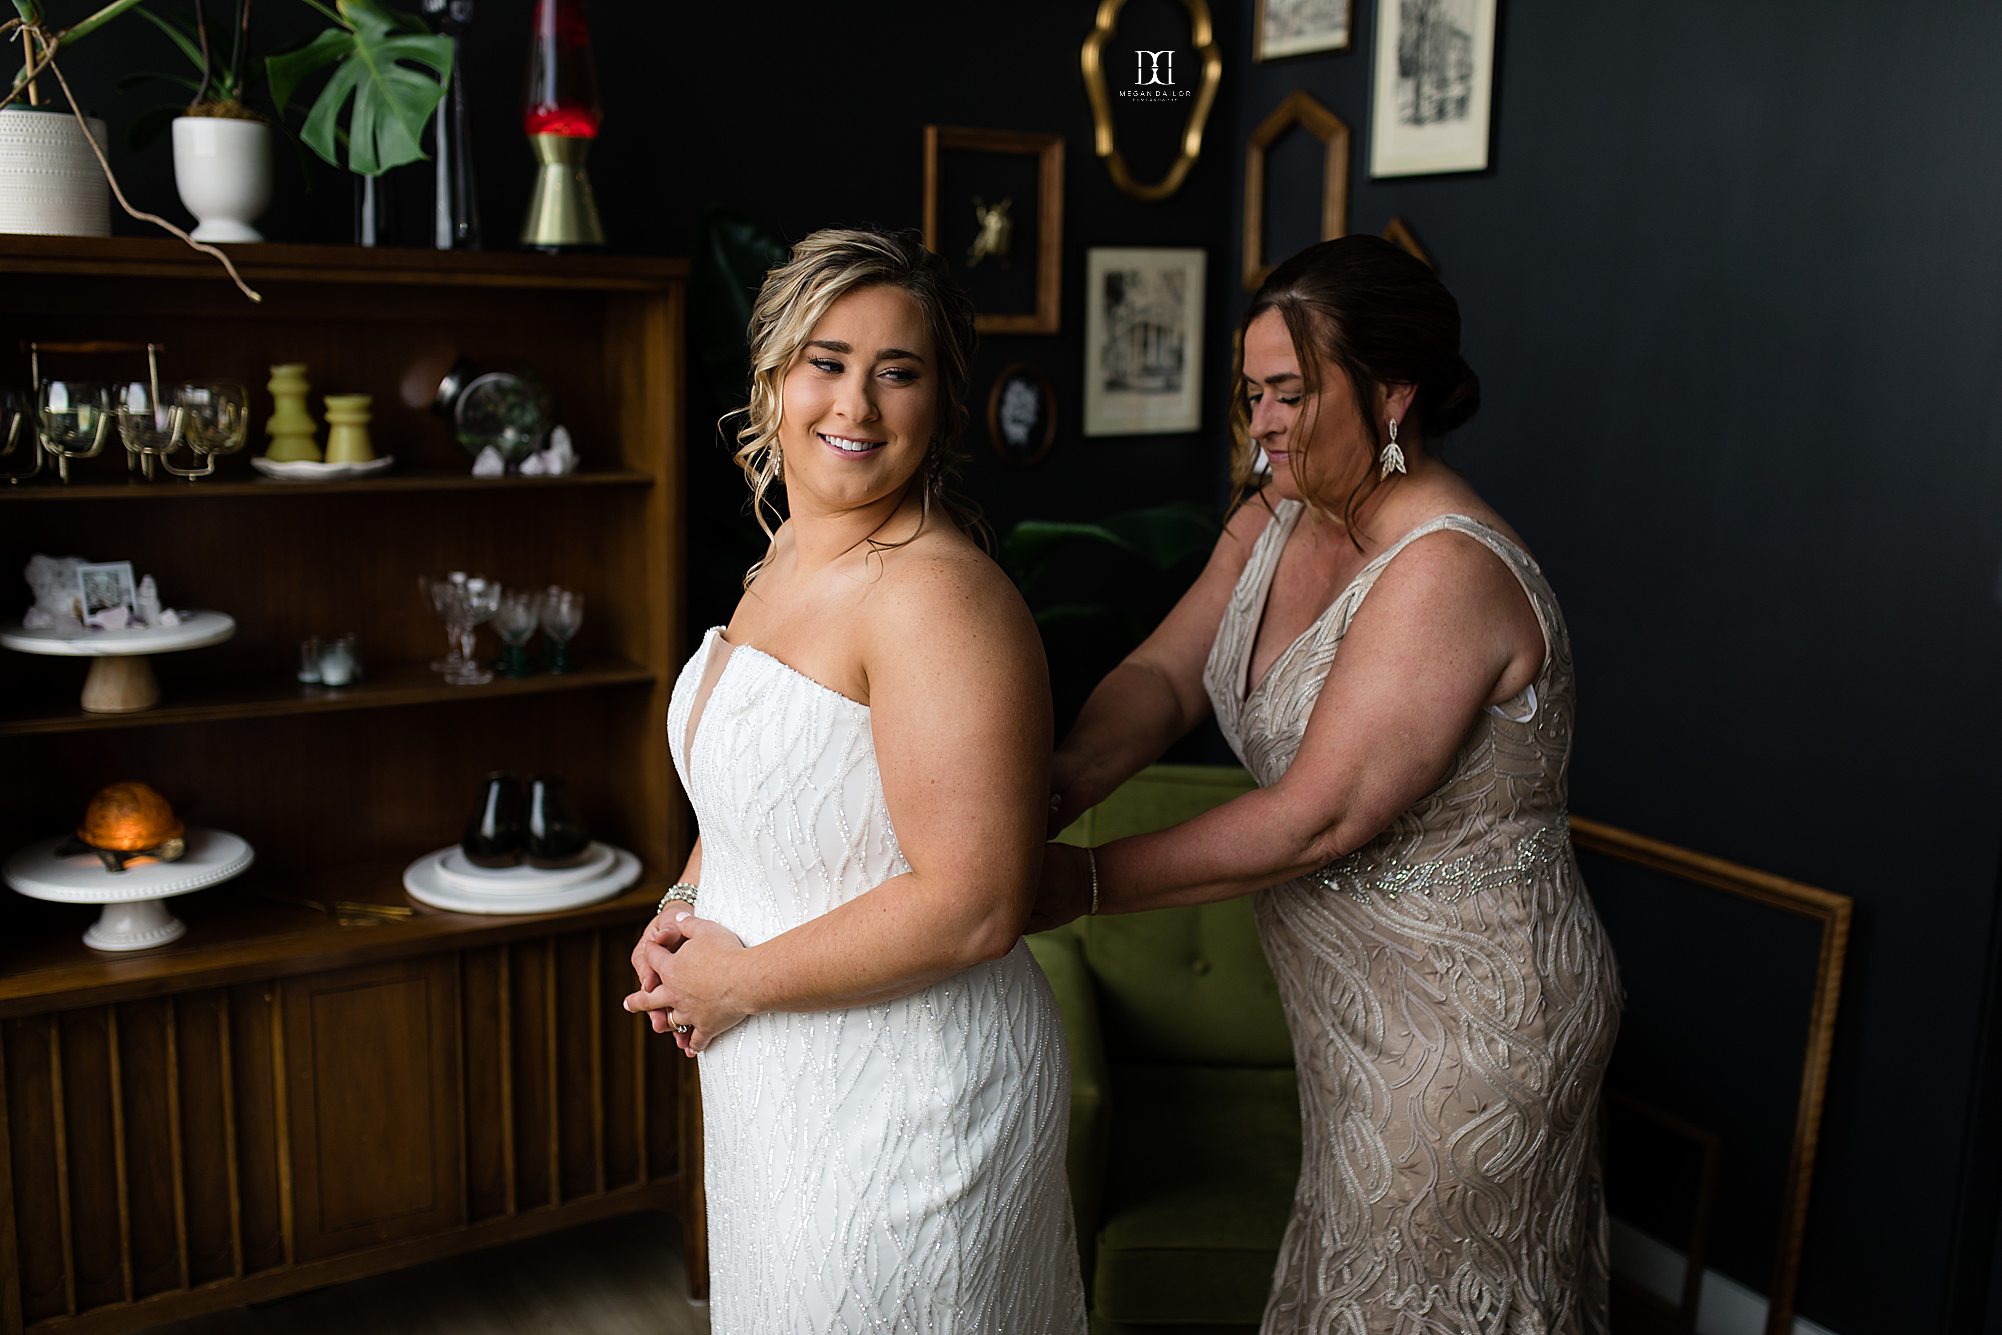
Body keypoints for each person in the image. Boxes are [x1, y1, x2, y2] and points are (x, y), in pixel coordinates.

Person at [1038, 235, 1619, 1334]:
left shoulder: (1447, 570)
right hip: (1353, 1020)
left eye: (1289, 393)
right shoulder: (1277, 515)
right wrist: (1059, 784)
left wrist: (1079, 883)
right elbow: (1164, 677)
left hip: (1469, 1031)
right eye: (1251, 392)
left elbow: (1324, 814)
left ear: (1390, 394)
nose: (1258, 422)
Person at [623, 227, 1086, 1333]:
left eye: (898, 372)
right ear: (775, 379)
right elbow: (757, 785)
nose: (857, 407)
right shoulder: (788, 553)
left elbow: (974, 903)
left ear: (940, 404)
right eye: (827, 362)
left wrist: (735, 985)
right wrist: (685, 902)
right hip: (778, 1075)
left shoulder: (937, 599)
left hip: (911, 1097)